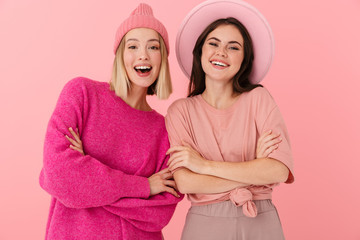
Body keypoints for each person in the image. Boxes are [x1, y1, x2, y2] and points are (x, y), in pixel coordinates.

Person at [39, 3, 182, 240]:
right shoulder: (82, 94)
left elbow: (159, 213)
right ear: (120, 55)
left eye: (153, 47)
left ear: (163, 59)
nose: (143, 55)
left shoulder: (166, 129)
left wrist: (86, 184)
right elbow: (59, 175)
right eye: (132, 46)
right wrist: (143, 187)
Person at [165, 0, 294, 239]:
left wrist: (203, 166)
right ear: (200, 50)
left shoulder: (259, 98)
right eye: (213, 43)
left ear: (244, 59)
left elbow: (277, 171)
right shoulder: (180, 111)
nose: (221, 52)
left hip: (260, 221)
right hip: (204, 225)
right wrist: (255, 169)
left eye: (233, 47)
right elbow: (185, 182)